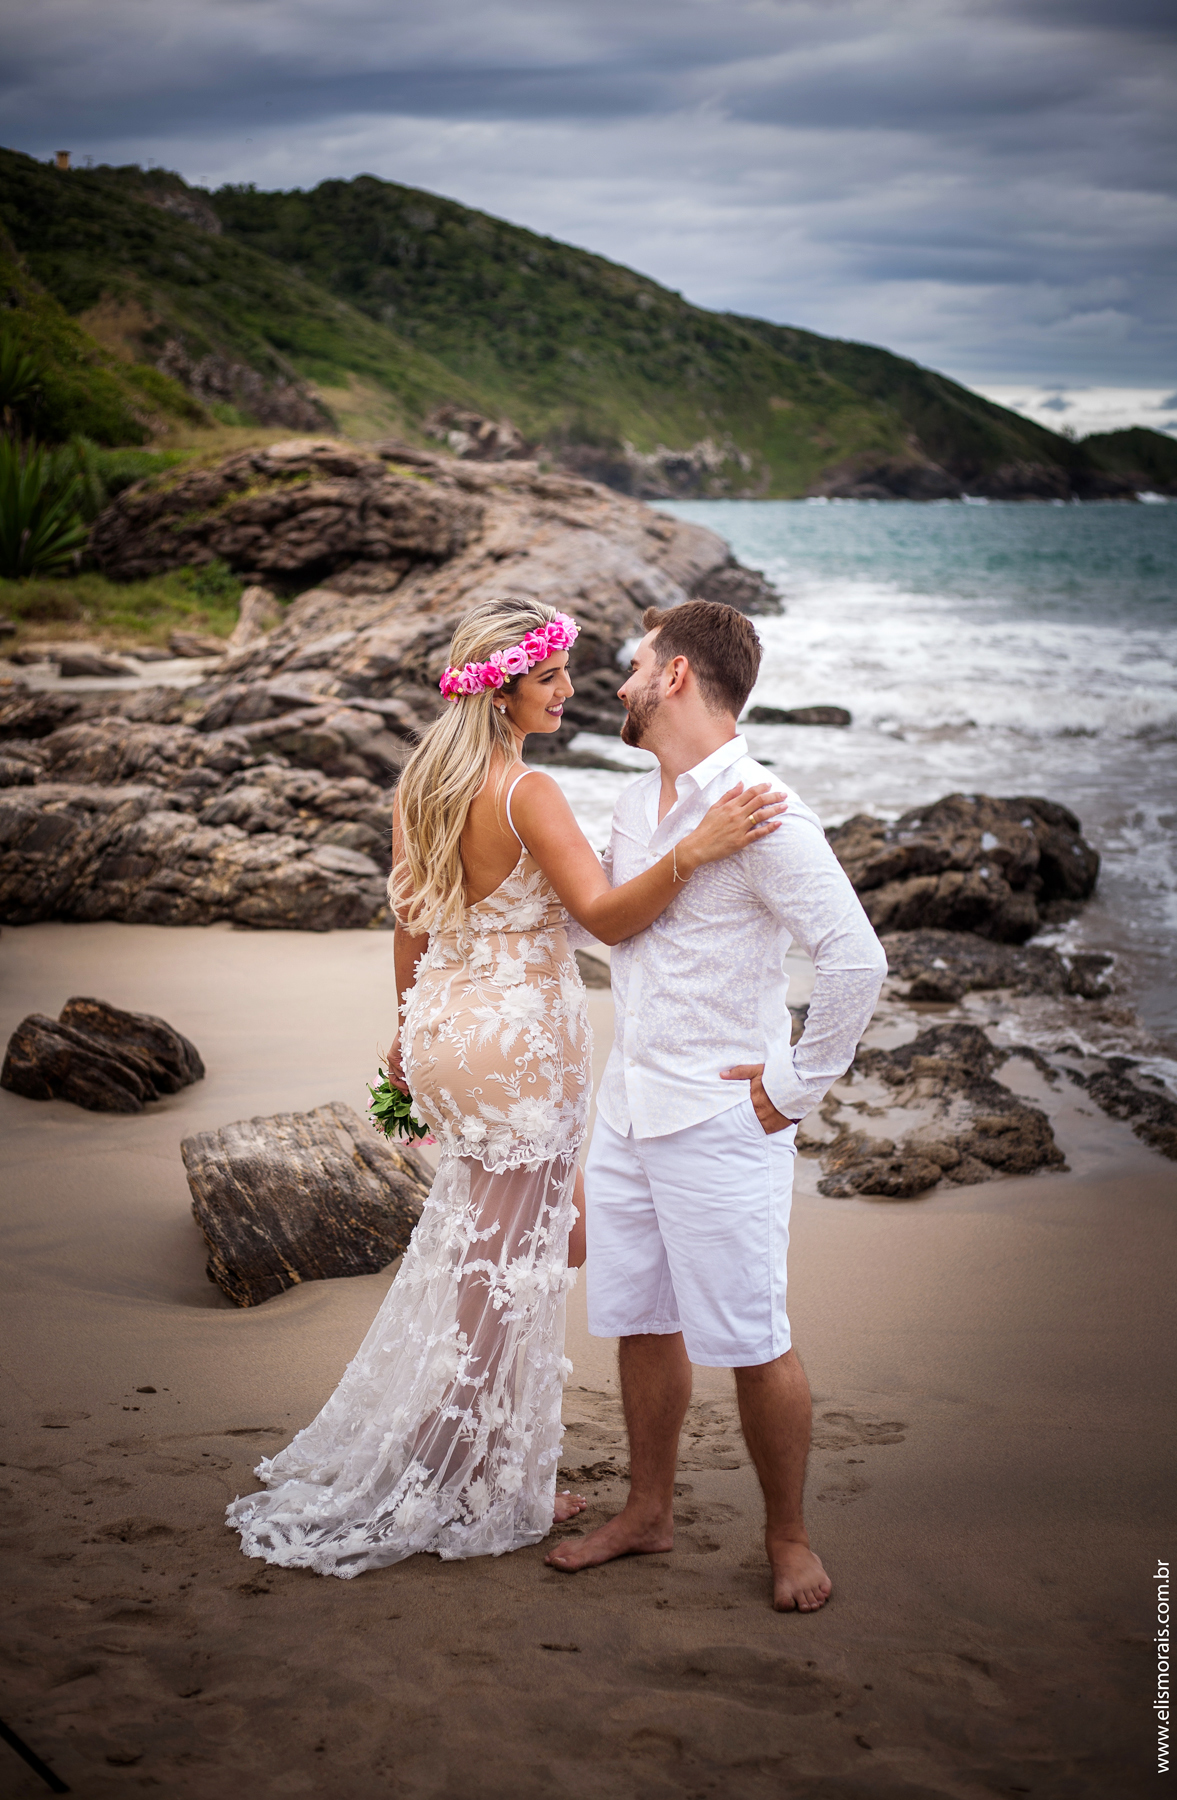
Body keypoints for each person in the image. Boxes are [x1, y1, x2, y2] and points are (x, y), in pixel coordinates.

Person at [226, 595, 785, 1578]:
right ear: (500, 692)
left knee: (500, 1250)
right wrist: (693, 853)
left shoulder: (422, 783)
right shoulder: (528, 795)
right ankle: (460, 1482)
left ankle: (477, 1460)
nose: (569, 691)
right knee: (507, 1274)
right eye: (549, 678)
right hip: (522, 1046)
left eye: (569, 674)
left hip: (446, 1030)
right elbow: (608, 920)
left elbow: (410, 922)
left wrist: (405, 1040)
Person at [546, 601, 888, 1611]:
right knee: (642, 1321)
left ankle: (789, 1537)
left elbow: (854, 960)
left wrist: (790, 1091)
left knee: (751, 1336)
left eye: (637, 663)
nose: (619, 682)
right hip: (629, 1104)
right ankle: (648, 1512)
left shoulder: (763, 805)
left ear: (681, 676)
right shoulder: (633, 806)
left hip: (721, 1118)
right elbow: (615, 927)